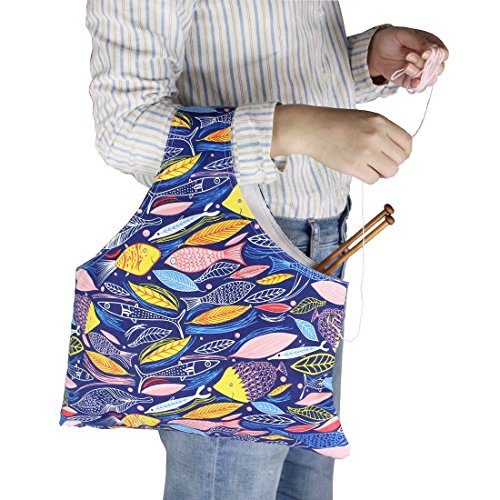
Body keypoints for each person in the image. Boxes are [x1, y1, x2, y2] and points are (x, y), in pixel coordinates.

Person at [84, 1, 448, 498]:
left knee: (303, 489)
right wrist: (300, 129)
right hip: (231, 252)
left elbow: (259, 52)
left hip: (324, 245)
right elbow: (124, 127)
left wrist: (366, 62)